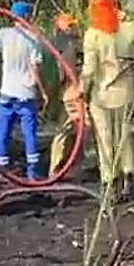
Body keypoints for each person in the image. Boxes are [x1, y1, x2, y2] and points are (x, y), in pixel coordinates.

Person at [80, 0, 134, 198]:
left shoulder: (93, 35)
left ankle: (110, 184)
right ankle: (128, 179)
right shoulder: (129, 30)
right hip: (125, 94)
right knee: (124, 137)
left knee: (104, 139)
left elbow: (89, 69)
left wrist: (81, 90)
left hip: (101, 97)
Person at [0, 1, 48, 179]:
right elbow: (34, 69)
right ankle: (32, 174)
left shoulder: (4, 35)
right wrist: (42, 91)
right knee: (29, 135)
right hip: (26, 94)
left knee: (2, 134)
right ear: (27, 17)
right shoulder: (33, 39)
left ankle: (1, 173)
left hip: (7, 93)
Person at [48, 13, 82, 174]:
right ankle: (58, 168)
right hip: (71, 91)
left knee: (71, 128)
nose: (72, 28)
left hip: (67, 90)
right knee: (74, 127)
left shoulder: (62, 42)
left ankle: (64, 165)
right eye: (69, 26)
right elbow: (66, 70)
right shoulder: (65, 44)